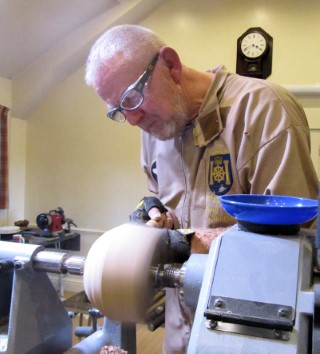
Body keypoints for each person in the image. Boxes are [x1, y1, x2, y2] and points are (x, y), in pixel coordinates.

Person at [85, 24, 318, 353]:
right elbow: (169, 211)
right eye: (119, 111)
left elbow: (294, 243)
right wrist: (156, 216)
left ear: (171, 64)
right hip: (180, 328)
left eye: (132, 97)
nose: (133, 119)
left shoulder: (264, 110)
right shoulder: (155, 132)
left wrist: (180, 243)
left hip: (249, 329)